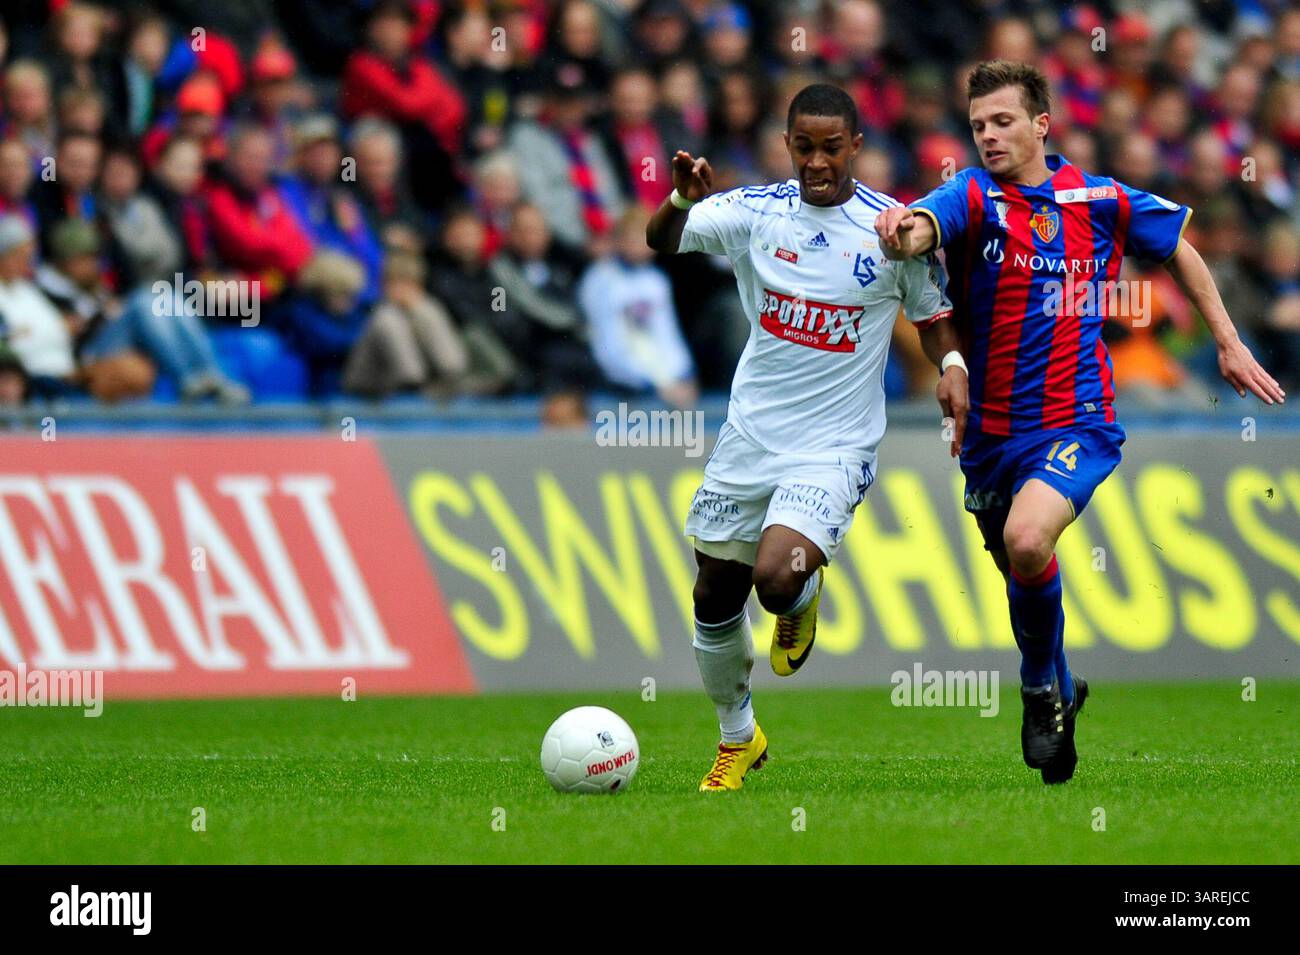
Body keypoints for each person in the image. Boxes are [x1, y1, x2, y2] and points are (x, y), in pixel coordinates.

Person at [875, 60, 1285, 785]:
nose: (990, 136)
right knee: (1017, 566)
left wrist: (1226, 338)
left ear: (1042, 124)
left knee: (1026, 538)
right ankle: (1063, 688)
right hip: (989, 435)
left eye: (1003, 122)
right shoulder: (972, 193)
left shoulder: (1096, 196)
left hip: (1076, 420)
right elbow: (921, 227)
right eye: (978, 125)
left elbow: (1180, 246)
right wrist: (898, 229)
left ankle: (1036, 692)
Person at [645, 84, 965, 791]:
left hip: (834, 447)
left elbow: (933, 311)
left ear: (855, 146)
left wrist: (950, 364)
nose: (816, 162)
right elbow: (661, 241)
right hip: (750, 439)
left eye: (831, 147)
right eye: (803, 147)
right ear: (787, 145)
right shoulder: (754, 213)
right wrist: (678, 201)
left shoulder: (891, 229)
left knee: (776, 573)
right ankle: (738, 737)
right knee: (712, 595)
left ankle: (796, 604)